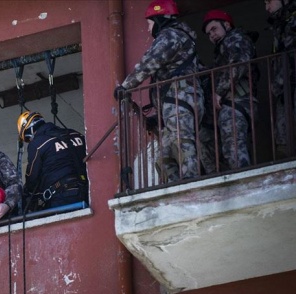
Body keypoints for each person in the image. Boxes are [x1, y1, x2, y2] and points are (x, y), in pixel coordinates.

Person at [113, 0, 205, 182]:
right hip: (176, 103)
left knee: (184, 144)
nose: (148, 29)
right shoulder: (181, 39)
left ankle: (192, 184)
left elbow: (150, 62)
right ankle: (176, 185)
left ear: (159, 19)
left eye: (149, 23)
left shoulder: (170, 35)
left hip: (180, 100)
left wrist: (126, 86)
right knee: (163, 157)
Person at [200, 9, 259, 172]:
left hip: (238, 102)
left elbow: (238, 63)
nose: (211, 35)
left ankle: (243, 182)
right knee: (231, 147)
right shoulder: (224, 48)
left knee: (234, 149)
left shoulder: (236, 38)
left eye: (214, 29)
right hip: (235, 103)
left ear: (227, 25)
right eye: (208, 33)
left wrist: (219, 91)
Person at [16, 111, 88, 211]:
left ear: (29, 131)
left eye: (27, 139)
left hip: (62, 197)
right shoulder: (76, 134)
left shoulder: (37, 144)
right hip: (88, 191)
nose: (29, 141)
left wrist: (27, 195)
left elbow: (32, 178)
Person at [265, 0, 296, 157]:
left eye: (269, 1)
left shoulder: (292, 20)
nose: (267, 7)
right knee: (283, 140)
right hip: (285, 88)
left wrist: (279, 80)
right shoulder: (279, 25)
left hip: (289, 81)